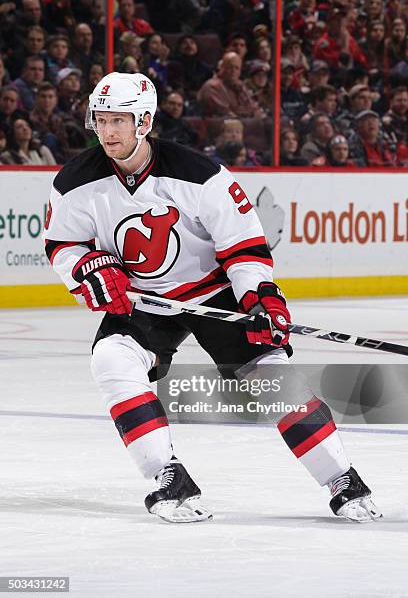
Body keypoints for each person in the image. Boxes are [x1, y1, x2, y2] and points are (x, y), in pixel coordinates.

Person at [43, 71, 381, 524]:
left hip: (215, 293)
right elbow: (63, 244)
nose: (107, 131)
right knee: (111, 362)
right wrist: (85, 268)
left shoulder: (201, 175)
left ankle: (342, 479)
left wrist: (261, 299)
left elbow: (242, 246)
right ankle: (169, 477)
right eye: (100, 119)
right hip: (143, 300)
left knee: (272, 378)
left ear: (143, 122)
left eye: (118, 120)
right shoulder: (73, 182)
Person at [197, 52, 262, 118]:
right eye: (230, 67)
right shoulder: (212, 86)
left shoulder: (240, 85)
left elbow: (255, 110)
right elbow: (226, 115)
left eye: (236, 68)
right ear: (221, 67)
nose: (233, 71)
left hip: (246, 124)